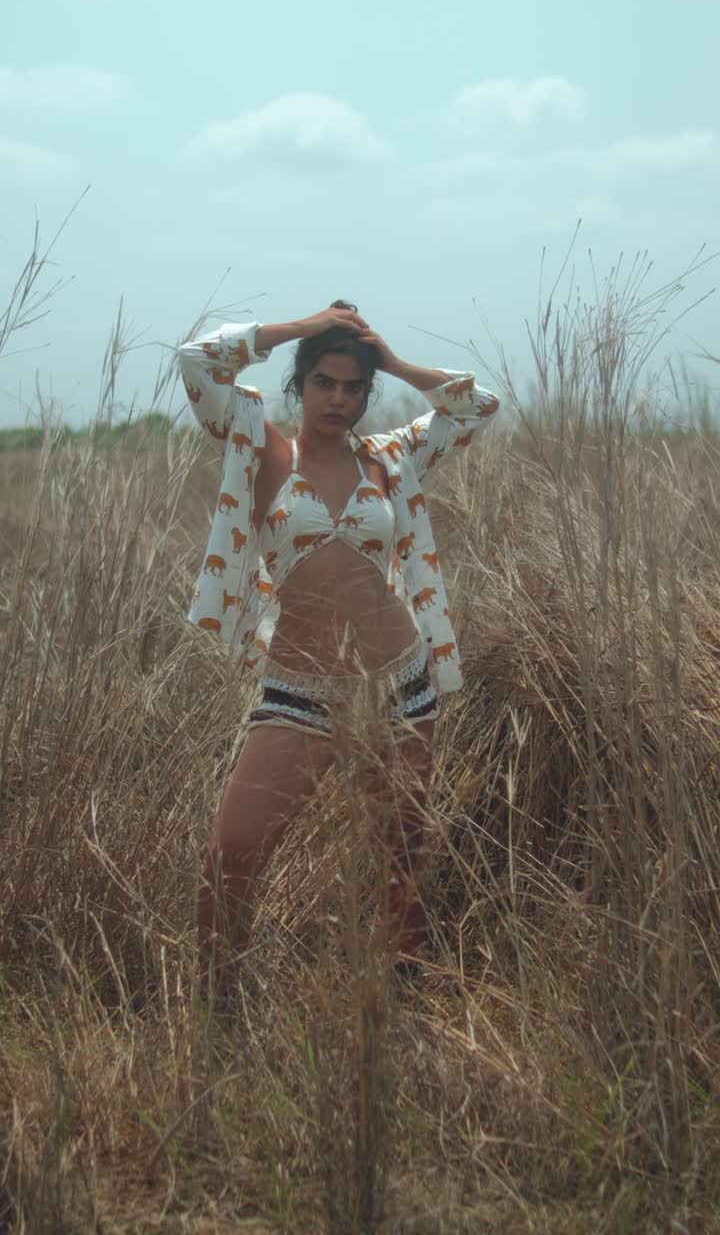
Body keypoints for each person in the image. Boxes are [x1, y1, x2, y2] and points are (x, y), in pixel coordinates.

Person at [176, 301, 499, 987]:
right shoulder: (260, 447)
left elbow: (477, 407)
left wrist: (395, 359)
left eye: (355, 386)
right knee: (233, 849)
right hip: (299, 690)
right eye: (325, 381)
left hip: (398, 683)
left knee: (400, 855)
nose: (340, 398)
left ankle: (396, 1001)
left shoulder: (390, 457)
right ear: (300, 384)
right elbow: (197, 361)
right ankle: (215, 1007)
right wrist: (303, 324)